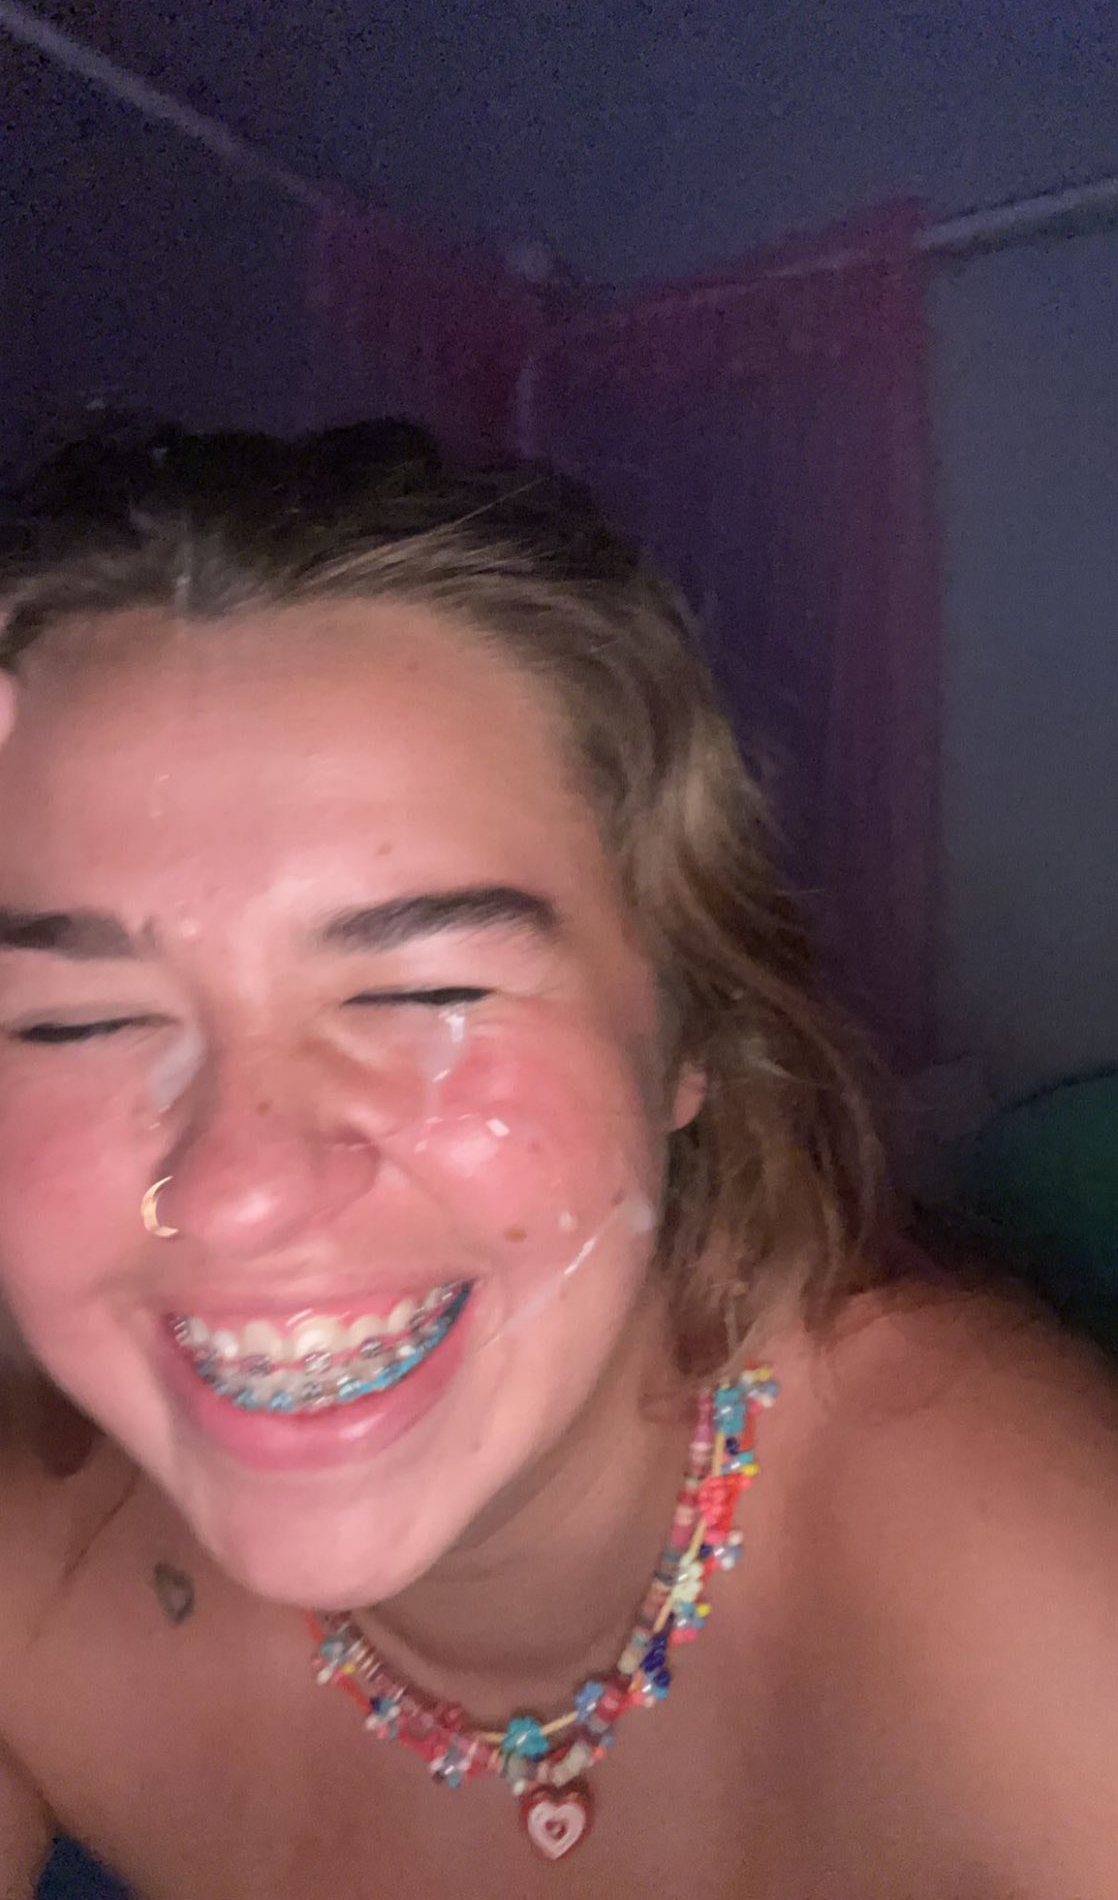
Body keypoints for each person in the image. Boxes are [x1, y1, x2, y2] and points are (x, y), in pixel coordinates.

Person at [0, 425, 1115, 1900]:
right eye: (79, 1022)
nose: (239, 1188)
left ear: (687, 1033)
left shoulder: (1028, 1610)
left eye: (424, 992)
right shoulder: (40, 1592)